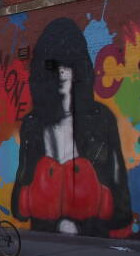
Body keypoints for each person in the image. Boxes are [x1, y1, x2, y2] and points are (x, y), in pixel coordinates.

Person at [12, 17, 131, 237]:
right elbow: (20, 199)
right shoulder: (33, 124)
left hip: (96, 237)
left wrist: (97, 199)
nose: (59, 73)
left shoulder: (101, 119)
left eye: (66, 65)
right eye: (51, 66)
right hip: (42, 236)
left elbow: (120, 197)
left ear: (78, 68)